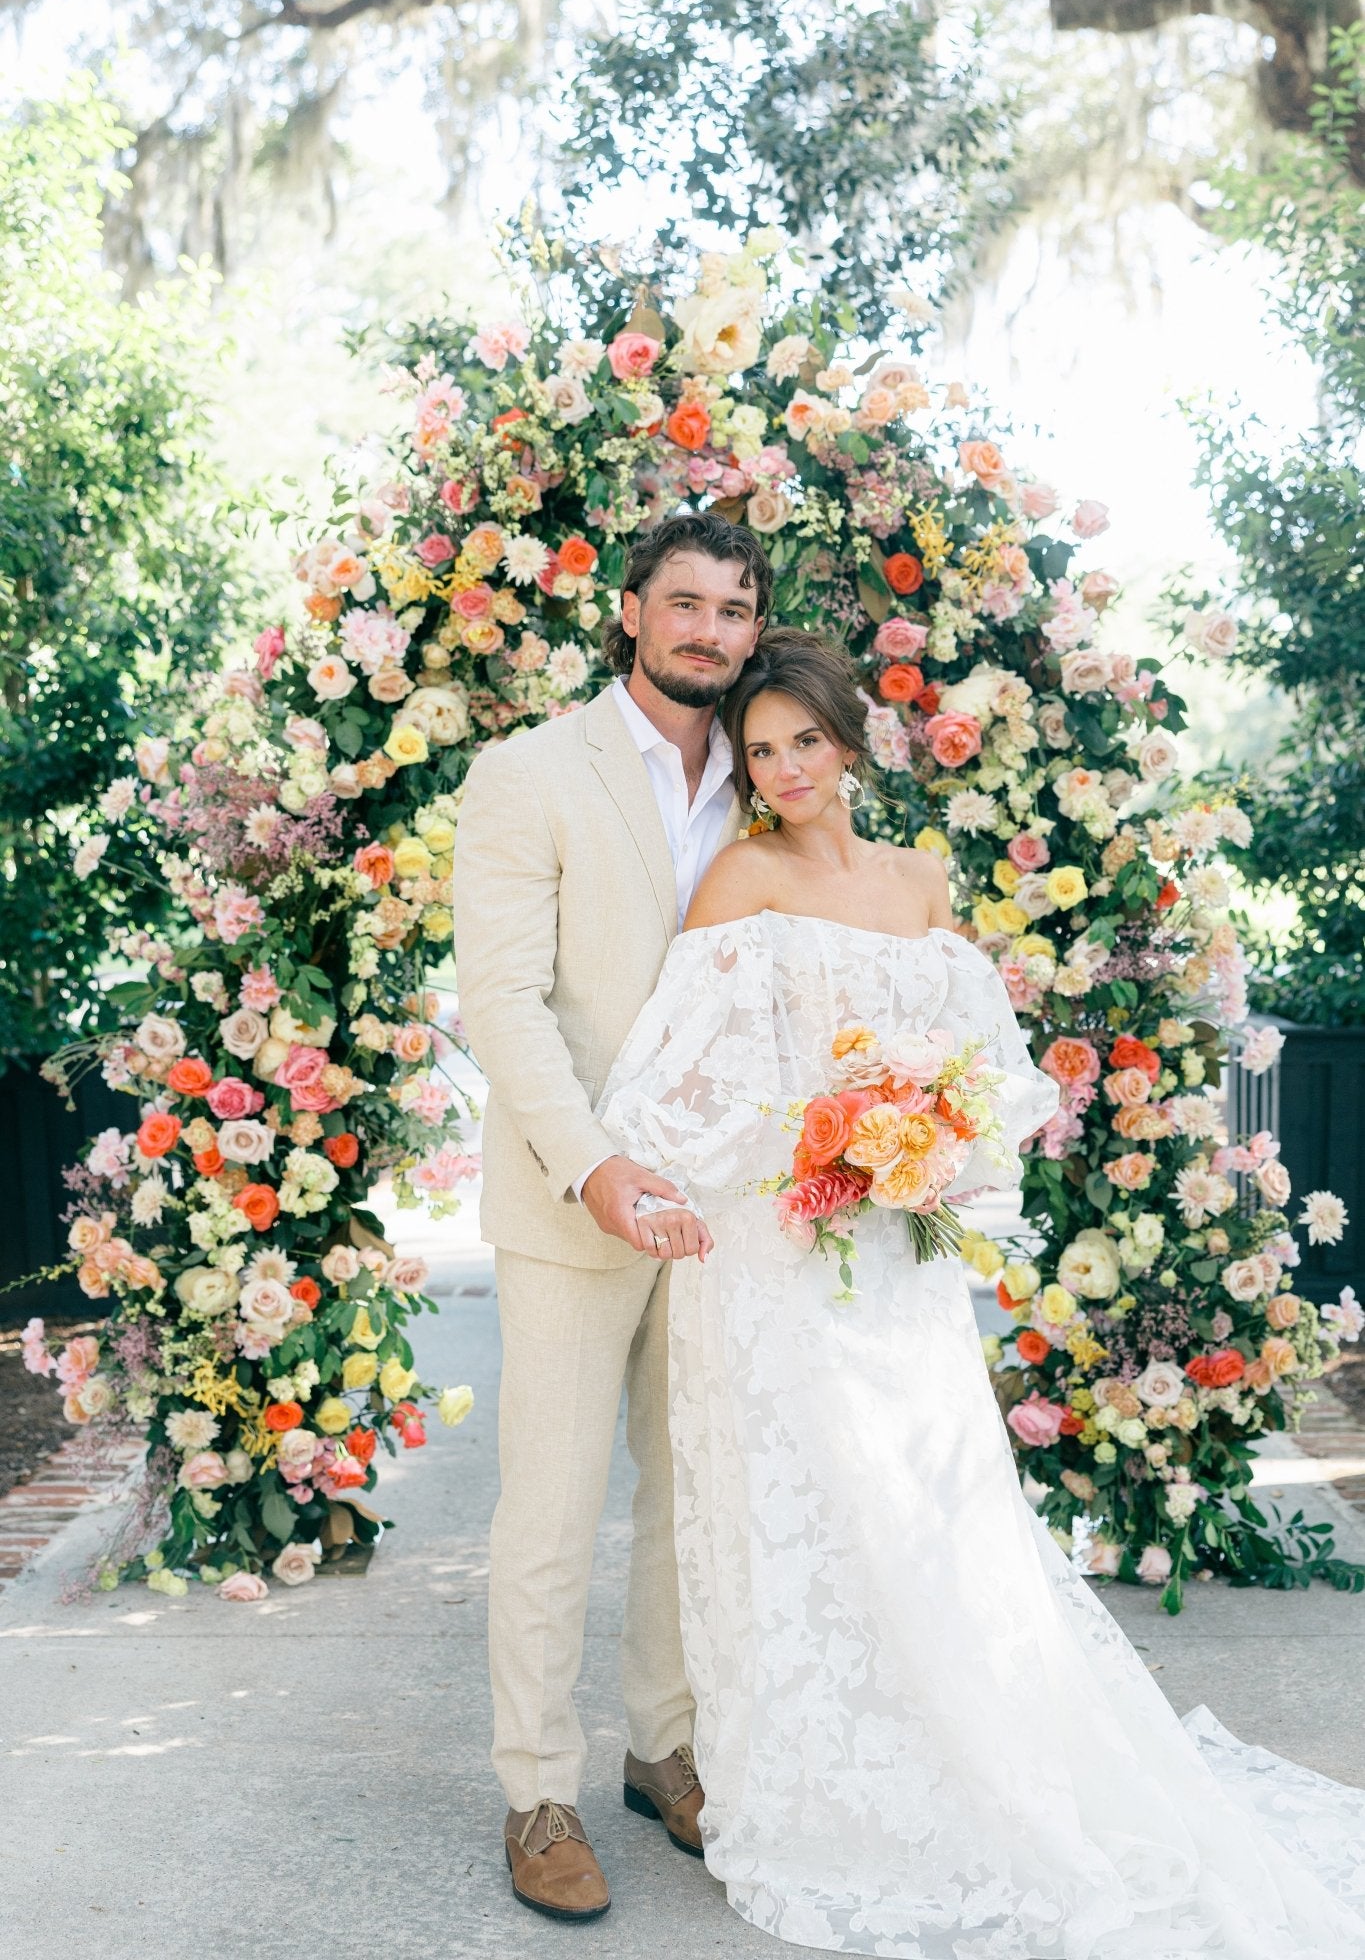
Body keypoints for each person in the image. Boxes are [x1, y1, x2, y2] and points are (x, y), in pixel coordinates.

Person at [598, 628, 1365, 1959]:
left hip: (897, 1256)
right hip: (780, 1260)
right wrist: (818, 1136)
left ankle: (976, 1754)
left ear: (849, 744)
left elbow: (989, 1070)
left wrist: (928, 1139)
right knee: (814, 1513)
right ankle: (825, 1788)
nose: (783, 770)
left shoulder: (920, 880)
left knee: (930, 1514)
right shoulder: (734, 880)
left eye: (805, 742)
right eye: (760, 750)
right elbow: (672, 1084)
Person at [450, 510, 768, 1923]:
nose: (709, 629)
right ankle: (536, 1789)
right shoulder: (529, 773)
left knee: (690, 1495)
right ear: (630, 610)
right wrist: (591, 1165)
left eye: (735, 608)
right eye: (685, 602)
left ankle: (666, 1749)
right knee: (554, 1506)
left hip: (723, 1207)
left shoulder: (769, 779)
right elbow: (504, 1002)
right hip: (573, 1196)